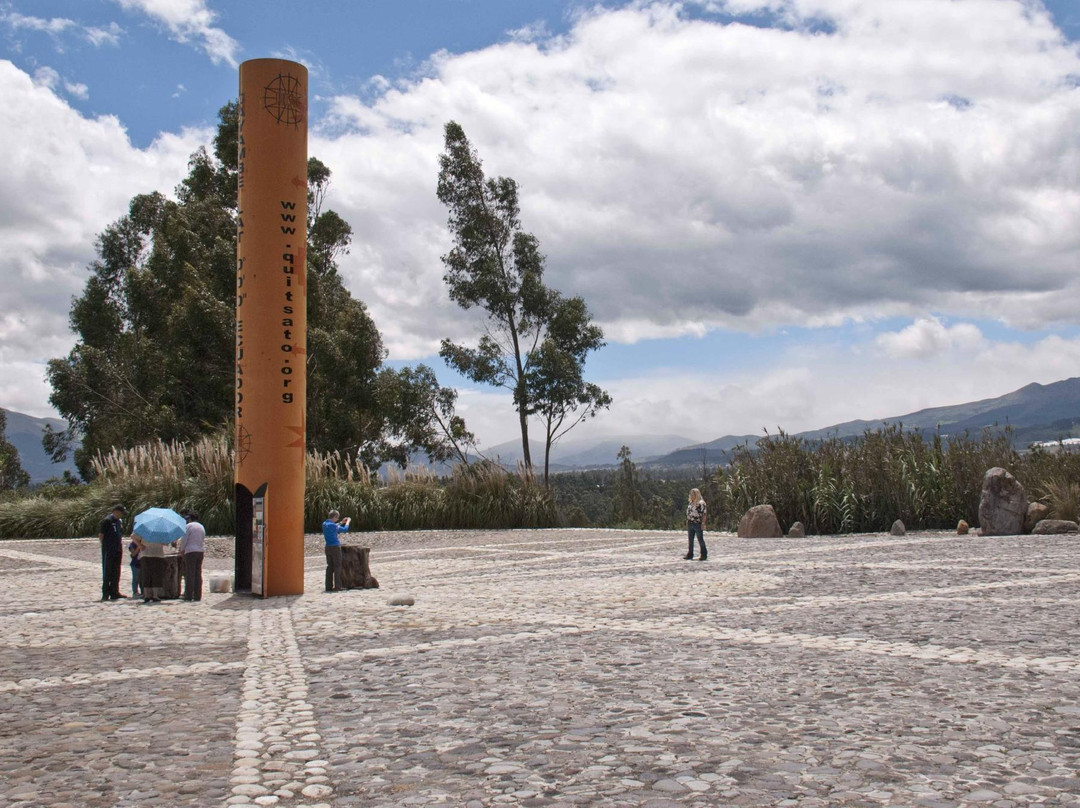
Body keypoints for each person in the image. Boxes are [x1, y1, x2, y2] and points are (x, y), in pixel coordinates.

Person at [98, 504, 127, 601]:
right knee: (108, 571)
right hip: (109, 549)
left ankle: (115, 592)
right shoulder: (107, 521)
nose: (121, 515)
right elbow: (101, 535)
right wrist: (105, 546)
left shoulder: (118, 521)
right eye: (121, 513)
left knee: (116, 571)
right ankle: (105, 593)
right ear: (116, 511)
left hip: (117, 549)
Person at [179, 511, 206, 602]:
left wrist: (181, 550)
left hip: (190, 551)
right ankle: (197, 595)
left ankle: (189, 595)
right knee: (198, 574)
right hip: (200, 551)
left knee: (189, 574)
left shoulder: (188, 526)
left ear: (190, 519)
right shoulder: (201, 526)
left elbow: (184, 540)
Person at [322, 509, 351, 592]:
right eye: (337, 518)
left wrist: (341, 522)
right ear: (334, 517)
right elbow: (344, 529)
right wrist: (347, 522)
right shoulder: (333, 525)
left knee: (329, 567)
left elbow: (334, 526)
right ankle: (338, 586)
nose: (337, 520)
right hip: (335, 547)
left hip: (328, 547)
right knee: (337, 567)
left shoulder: (324, 524)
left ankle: (328, 586)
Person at [138, 535, 165, 603]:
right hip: (157, 554)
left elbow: (133, 537)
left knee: (146, 575)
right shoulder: (160, 531)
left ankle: (147, 595)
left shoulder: (144, 528)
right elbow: (165, 543)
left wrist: (140, 545)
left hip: (146, 554)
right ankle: (154, 595)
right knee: (155, 575)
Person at [685, 488, 707, 561]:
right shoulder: (691, 503)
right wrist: (687, 522)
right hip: (690, 522)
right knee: (690, 539)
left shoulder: (701, 503)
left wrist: (703, 523)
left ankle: (704, 554)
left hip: (697, 523)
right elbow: (688, 513)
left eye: (693, 494)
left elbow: (704, 514)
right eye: (690, 494)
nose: (691, 495)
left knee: (700, 539)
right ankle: (690, 554)